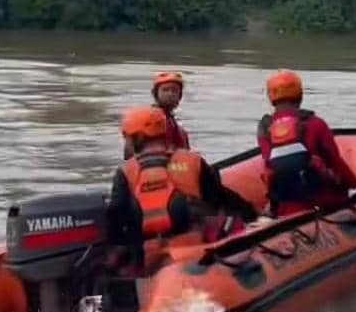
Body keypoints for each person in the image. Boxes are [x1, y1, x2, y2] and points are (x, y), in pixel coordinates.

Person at [106, 106, 257, 272]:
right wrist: (253, 215)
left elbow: (116, 216)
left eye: (127, 137)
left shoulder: (126, 172)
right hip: (193, 250)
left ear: (138, 138)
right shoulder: (192, 160)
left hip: (150, 257)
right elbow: (220, 199)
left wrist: (119, 248)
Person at [256, 69, 356, 217]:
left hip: (283, 205)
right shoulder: (316, 124)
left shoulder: (264, 128)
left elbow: (270, 165)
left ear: (271, 97)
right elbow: (336, 162)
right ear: (300, 96)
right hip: (322, 200)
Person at [123, 71, 190, 158]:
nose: (170, 94)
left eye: (174, 90)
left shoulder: (178, 128)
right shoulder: (144, 121)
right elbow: (128, 155)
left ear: (179, 95)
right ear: (155, 94)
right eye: (165, 90)